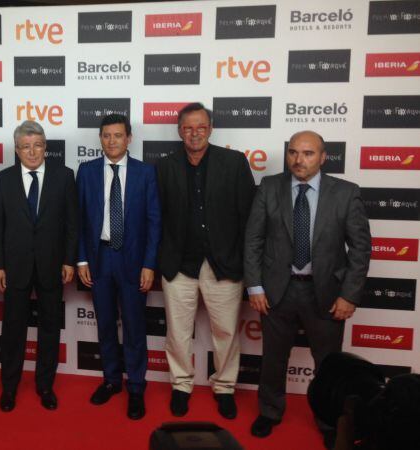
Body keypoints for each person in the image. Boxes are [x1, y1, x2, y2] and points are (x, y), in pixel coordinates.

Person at [244, 130, 371, 446]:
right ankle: (270, 412)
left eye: (308, 153)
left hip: (326, 294)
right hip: (277, 291)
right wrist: (255, 287)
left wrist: (348, 294)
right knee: (273, 358)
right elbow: (253, 240)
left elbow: (360, 248)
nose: (298, 160)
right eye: (293, 153)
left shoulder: (346, 193)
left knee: (328, 364)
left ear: (323, 157)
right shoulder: (270, 187)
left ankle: (329, 420)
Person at [156, 102, 256, 419]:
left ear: (211, 129)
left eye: (201, 127)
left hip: (224, 265)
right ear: (179, 131)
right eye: (188, 127)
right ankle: (181, 385)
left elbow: (248, 218)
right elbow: (156, 217)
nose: (194, 133)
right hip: (178, 265)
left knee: (226, 332)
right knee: (178, 332)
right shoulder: (165, 166)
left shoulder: (234, 162)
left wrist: (241, 260)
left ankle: (224, 387)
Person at [76, 114, 161, 420]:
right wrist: (82, 258)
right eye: (107, 136)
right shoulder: (86, 172)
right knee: (106, 324)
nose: (112, 141)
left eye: (118, 135)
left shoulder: (145, 173)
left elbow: (154, 222)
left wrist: (150, 264)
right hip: (99, 258)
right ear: (100, 138)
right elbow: (79, 221)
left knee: (135, 327)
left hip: (133, 260)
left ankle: (136, 386)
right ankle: (112, 380)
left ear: (129, 138)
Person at [0, 120, 78, 412]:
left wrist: (69, 260)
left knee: (50, 328)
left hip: (52, 265)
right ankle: (9, 387)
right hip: (14, 267)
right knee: (13, 329)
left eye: (37, 145)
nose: (32, 152)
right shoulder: (2, 179)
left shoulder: (65, 176)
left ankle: (45, 386)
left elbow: (71, 225)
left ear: (45, 147)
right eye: (26, 147)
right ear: (17, 150)